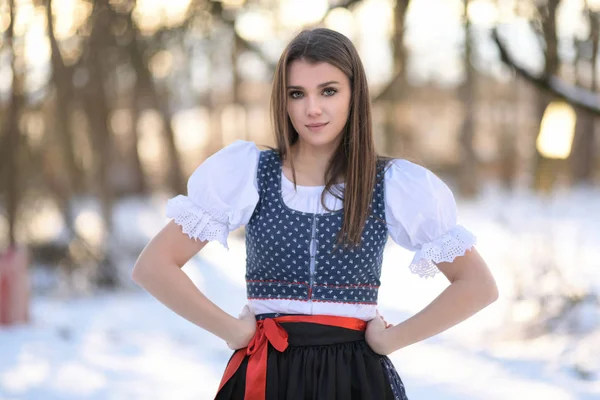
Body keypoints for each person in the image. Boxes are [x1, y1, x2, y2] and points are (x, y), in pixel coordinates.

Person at [132, 28, 498, 400]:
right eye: (297, 94)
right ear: (284, 100)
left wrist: (391, 340)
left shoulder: (390, 183)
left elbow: (477, 285)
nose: (312, 109)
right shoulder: (248, 173)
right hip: (266, 373)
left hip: (354, 378)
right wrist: (233, 331)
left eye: (328, 90)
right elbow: (154, 266)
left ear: (354, 94)